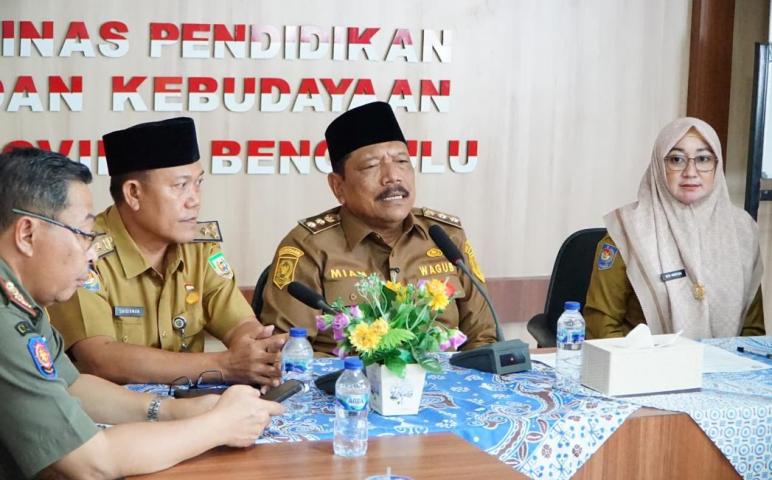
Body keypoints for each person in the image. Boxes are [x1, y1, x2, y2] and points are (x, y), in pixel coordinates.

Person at [0, 148, 283, 479]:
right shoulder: (6, 323)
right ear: (27, 234)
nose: (92, 255)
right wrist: (219, 425)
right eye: (83, 234)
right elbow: (91, 463)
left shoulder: (21, 303)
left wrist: (178, 410)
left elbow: (73, 385)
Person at [48, 117, 285, 386]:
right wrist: (225, 365)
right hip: (110, 408)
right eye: (180, 185)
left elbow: (239, 323)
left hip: (194, 402)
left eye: (198, 183)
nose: (194, 200)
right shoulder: (84, 250)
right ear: (133, 193)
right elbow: (100, 358)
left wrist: (256, 348)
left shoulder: (199, 248)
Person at [260, 101, 498, 355]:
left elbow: (484, 338)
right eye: (371, 166)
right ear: (338, 186)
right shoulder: (308, 247)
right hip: (346, 379)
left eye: (402, 161)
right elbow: (287, 354)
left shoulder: (446, 237)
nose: (393, 176)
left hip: (442, 378)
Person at [585, 117, 765, 339]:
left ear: (717, 166)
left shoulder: (742, 232)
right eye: (677, 159)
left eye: (703, 159)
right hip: (644, 359)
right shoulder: (627, 232)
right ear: (659, 166)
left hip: (725, 360)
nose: (690, 172)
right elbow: (601, 326)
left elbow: (752, 331)